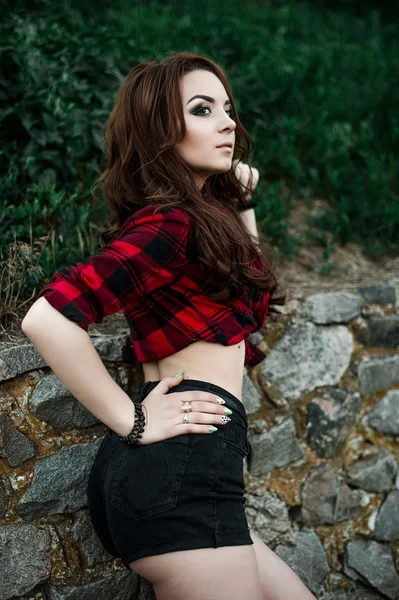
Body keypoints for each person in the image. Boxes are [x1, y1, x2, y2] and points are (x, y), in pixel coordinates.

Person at [21, 52, 316, 600]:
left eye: (227, 108)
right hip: (181, 467)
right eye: (203, 110)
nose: (228, 121)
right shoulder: (169, 223)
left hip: (192, 469)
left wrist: (242, 200)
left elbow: (257, 304)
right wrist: (131, 420)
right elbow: (47, 318)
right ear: (160, 130)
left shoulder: (193, 219)